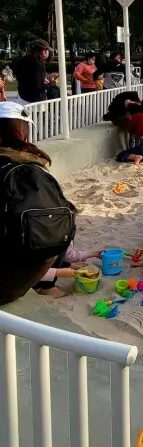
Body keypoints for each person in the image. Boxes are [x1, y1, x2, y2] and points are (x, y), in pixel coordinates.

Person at [0, 102, 76, 305]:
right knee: (62, 214)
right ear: (23, 131)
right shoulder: (30, 164)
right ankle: (45, 285)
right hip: (11, 285)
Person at [13, 39, 51, 103]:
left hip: (22, 98)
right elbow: (37, 86)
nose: (48, 53)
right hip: (34, 102)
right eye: (47, 50)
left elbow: (30, 80)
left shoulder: (23, 61)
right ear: (43, 51)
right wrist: (49, 84)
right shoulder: (36, 65)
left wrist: (41, 80)